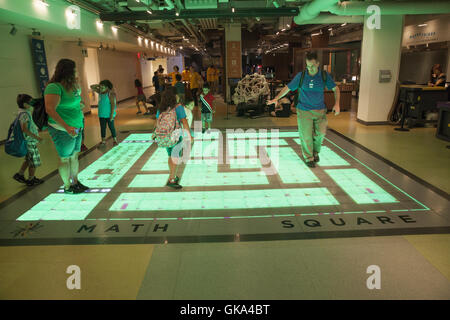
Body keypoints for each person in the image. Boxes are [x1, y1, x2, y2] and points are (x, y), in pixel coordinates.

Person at [267, 51, 340, 168]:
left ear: (317, 64)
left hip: (320, 110)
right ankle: (309, 157)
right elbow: (288, 88)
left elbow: (336, 89)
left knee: (320, 133)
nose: (309, 68)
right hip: (304, 110)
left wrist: (337, 104)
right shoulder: (301, 76)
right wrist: (276, 98)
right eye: (307, 65)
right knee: (306, 136)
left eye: (312, 66)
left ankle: (315, 152)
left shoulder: (323, 76)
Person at [44, 58, 89, 194]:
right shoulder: (54, 87)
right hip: (62, 129)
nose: (76, 73)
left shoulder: (73, 86)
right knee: (65, 158)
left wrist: (79, 106)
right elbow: (50, 109)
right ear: (67, 71)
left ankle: (75, 181)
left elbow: (75, 102)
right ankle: (67, 186)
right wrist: (67, 127)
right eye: (74, 70)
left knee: (74, 156)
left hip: (77, 126)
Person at [156, 87, 192, 189]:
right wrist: (189, 135)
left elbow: (157, 122)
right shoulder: (178, 107)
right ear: (175, 96)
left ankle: (172, 176)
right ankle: (172, 179)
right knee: (175, 156)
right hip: (176, 135)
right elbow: (184, 122)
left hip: (165, 136)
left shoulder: (161, 108)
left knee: (170, 156)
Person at [12, 94, 45, 186]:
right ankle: (31, 180)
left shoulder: (22, 112)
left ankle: (20, 174)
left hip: (28, 141)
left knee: (28, 159)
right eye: (30, 102)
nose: (32, 104)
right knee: (33, 162)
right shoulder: (25, 114)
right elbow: (25, 129)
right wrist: (37, 137)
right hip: (29, 141)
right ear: (25, 104)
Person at [90, 80, 118, 146]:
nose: (101, 88)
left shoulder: (110, 94)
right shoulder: (100, 93)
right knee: (103, 128)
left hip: (109, 115)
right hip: (102, 115)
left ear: (107, 87)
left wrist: (111, 115)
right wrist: (99, 85)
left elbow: (113, 105)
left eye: (103, 87)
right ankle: (103, 141)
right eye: (100, 87)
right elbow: (92, 87)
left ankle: (115, 140)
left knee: (111, 127)